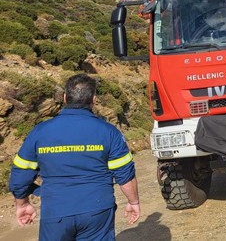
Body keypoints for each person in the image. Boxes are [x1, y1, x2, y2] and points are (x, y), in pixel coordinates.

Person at [9, 73, 140, 240]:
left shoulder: (40, 132)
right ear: (93, 99)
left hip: (56, 212)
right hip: (97, 210)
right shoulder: (108, 132)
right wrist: (133, 202)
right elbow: (125, 174)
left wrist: (22, 203)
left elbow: (20, 172)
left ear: (65, 98)